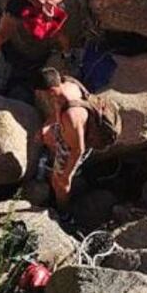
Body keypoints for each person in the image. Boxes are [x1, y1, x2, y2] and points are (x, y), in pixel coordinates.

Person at [37, 67, 89, 211]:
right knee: (48, 137)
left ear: (50, 91)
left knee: (59, 183)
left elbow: (79, 149)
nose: (41, 97)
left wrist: (67, 175)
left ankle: (63, 211)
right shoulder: (68, 85)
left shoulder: (71, 116)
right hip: (67, 134)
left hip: (73, 147)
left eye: (42, 94)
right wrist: (48, 125)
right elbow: (59, 111)